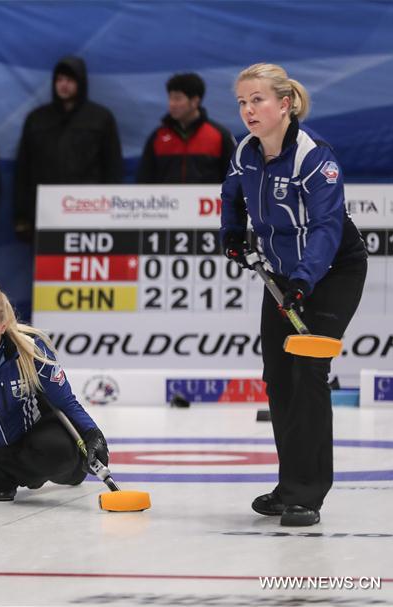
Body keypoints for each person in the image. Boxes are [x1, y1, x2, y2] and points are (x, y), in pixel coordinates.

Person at [221, 63, 367, 527]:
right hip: (282, 276)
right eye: (242, 102)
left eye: (257, 100)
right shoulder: (246, 151)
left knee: (307, 373)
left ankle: (308, 493)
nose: (248, 110)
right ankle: (288, 486)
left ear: (285, 104)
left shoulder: (313, 157)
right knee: (279, 378)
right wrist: (231, 232)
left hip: (331, 271)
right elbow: (231, 194)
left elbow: (327, 226)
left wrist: (305, 280)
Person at [0, 280, 109, 501]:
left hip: (38, 432)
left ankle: (9, 472)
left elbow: (66, 402)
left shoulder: (30, 348)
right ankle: (6, 469)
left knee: (65, 459)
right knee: (36, 466)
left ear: (2, 326)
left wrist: (94, 435)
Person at [14, 56, 123, 242]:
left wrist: (110, 215)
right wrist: (22, 217)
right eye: (59, 80)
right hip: (45, 214)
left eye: (70, 80)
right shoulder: (37, 119)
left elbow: (112, 168)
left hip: (87, 214)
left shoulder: (101, 118)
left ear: (81, 82)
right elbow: (23, 170)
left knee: (84, 269)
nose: (64, 85)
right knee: (47, 271)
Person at [137, 72, 236, 183]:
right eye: (170, 98)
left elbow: (234, 179)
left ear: (195, 101)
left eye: (177, 99)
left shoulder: (220, 136)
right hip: (168, 200)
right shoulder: (157, 137)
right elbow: (144, 180)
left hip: (207, 200)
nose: (172, 104)